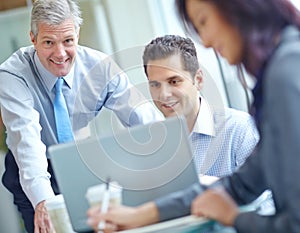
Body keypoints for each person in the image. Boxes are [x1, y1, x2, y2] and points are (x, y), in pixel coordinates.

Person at [87, 0, 300, 232]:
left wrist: (234, 218)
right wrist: (139, 216)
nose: (206, 41)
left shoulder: (285, 73)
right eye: (155, 85)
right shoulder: (282, 66)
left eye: (203, 22)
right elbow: (239, 185)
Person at [0, 0, 161, 232]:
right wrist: (44, 203)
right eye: (48, 42)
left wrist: (168, 162)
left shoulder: (99, 67)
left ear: (77, 34)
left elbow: (145, 119)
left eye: (68, 41)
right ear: (32, 39)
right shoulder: (13, 75)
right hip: (32, 169)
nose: (60, 53)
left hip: (79, 160)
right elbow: (27, 143)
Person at [143, 35, 258, 176]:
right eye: (155, 85)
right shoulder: (153, 146)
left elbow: (266, 197)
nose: (163, 95)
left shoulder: (239, 129)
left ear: (198, 80)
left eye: (174, 82)